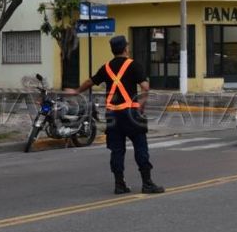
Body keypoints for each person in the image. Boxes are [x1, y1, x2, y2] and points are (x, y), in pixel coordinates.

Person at [66, 35, 164, 195]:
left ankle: (119, 184)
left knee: (117, 150)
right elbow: (145, 87)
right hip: (131, 113)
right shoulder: (133, 65)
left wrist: (77, 91)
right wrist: (142, 104)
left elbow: (91, 81)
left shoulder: (106, 67)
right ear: (125, 48)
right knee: (140, 146)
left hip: (112, 114)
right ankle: (147, 183)